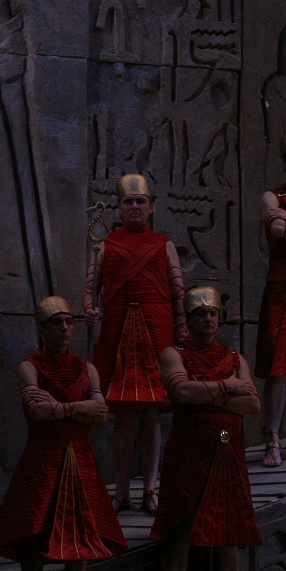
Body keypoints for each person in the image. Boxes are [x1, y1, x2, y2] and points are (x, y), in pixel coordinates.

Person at [0, 297, 125, 571]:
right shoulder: (29, 366)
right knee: (35, 533)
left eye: (68, 322)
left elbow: (100, 411)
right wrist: (79, 408)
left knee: (83, 533)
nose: (64, 328)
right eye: (56, 323)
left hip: (79, 458)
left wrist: (60, 408)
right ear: (42, 328)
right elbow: (37, 411)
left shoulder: (87, 368)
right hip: (42, 459)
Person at [151, 287, 264, 571]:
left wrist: (209, 391)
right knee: (181, 526)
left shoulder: (233, 357)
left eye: (213, 313)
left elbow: (252, 404)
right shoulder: (175, 353)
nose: (208, 319)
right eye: (201, 314)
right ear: (188, 319)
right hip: (189, 448)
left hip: (227, 447)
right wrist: (228, 387)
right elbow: (181, 391)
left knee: (228, 531)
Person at [84, 173, 187, 515]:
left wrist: (182, 332)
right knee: (123, 416)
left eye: (141, 201)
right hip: (117, 334)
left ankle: (151, 489)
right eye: (128, 202)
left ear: (151, 207)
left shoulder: (164, 245)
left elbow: (178, 293)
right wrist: (90, 310)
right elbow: (90, 288)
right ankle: (122, 491)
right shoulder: (106, 245)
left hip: (156, 330)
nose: (135, 207)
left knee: (152, 413)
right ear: (119, 207)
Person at [256, 130, 286, 468]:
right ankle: (272, 440)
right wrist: (283, 220)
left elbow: (284, 225)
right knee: (277, 369)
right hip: (283, 286)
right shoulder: (273, 195)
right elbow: (276, 227)